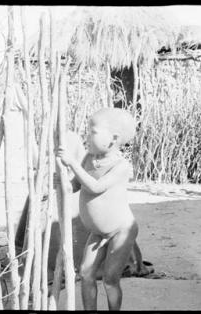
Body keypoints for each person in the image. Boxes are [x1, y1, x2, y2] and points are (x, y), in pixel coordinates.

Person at [56, 107, 150, 310]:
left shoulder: (121, 166)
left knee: (109, 280)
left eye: (93, 132)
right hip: (98, 232)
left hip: (120, 231)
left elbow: (95, 186)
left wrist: (72, 163)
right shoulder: (88, 159)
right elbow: (76, 185)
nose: (86, 136)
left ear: (113, 138)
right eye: (87, 131)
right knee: (86, 273)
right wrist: (60, 182)